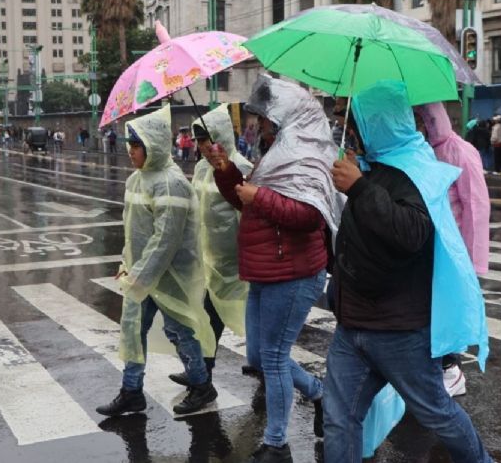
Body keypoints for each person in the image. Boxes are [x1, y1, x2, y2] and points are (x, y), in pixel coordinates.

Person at [324, 81, 491, 463]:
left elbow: (411, 233)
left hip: (400, 331)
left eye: (352, 117)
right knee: (339, 419)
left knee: (438, 413)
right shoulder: (368, 166)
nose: (345, 125)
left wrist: (362, 188)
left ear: (376, 121)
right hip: (353, 326)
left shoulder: (417, 169)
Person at [208, 75, 338, 462]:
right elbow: (245, 202)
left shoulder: (304, 157)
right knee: (259, 357)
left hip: (294, 272)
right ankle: (318, 393)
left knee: (275, 358)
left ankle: (277, 443)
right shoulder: (276, 152)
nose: (258, 124)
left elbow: (308, 216)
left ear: (283, 118)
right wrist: (226, 170)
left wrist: (258, 195)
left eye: (263, 118)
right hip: (265, 269)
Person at [96, 105, 219, 418]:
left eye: (137, 146)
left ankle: (202, 384)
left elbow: (165, 240)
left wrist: (140, 274)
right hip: (141, 274)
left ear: (154, 146)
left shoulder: (170, 183)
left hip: (170, 275)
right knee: (133, 330)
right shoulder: (137, 180)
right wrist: (127, 264)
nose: (132, 152)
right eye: (130, 146)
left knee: (179, 331)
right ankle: (131, 391)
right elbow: (132, 229)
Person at [168, 106, 256, 387]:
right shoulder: (201, 169)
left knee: (250, 319)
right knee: (208, 319)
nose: (204, 147)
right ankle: (203, 373)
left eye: (208, 140)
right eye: (200, 142)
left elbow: (249, 216)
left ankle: (266, 367)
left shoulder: (240, 168)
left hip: (236, 263)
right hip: (211, 260)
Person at [416, 102, 491, 397]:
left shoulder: (459, 150)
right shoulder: (425, 150)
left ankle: (451, 368)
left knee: (447, 309)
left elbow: (476, 206)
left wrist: (473, 261)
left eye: (422, 118)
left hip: (452, 247)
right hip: (429, 244)